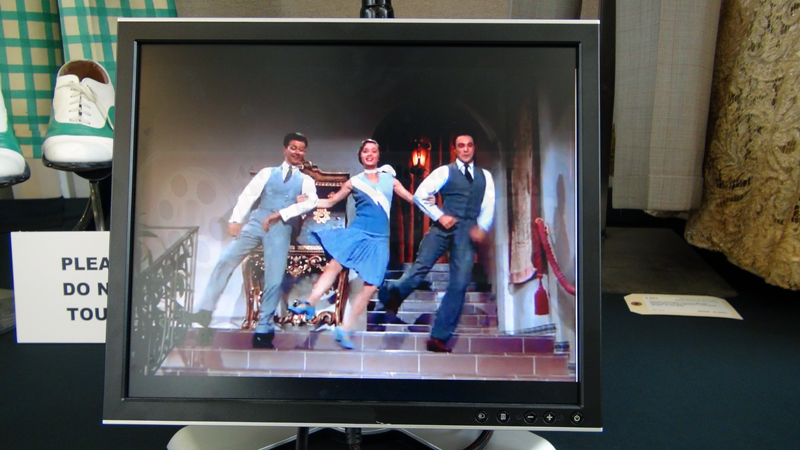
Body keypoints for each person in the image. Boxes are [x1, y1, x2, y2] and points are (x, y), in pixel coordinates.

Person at [189, 132, 318, 348]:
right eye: (293, 147)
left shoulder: (306, 180)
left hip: (280, 227)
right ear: (285, 149)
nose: (297, 152)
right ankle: (205, 310)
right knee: (226, 260)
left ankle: (263, 329)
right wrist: (235, 219)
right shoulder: (268, 173)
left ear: (305, 152)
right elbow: (248, 195)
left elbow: (311, 202)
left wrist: (282, 213)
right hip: (257, 222)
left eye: (301, 149)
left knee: (274, 279)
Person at [289, 139, 415, 349]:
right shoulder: (354, 182)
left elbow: (412, 199)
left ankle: (344, 329)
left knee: (370, 287)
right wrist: (308, 202)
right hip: (358, 232)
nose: (369, 154)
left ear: (378, 155)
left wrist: (429, 202)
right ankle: (310, 302)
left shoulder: (390, 180)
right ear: (361, 156)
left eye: (373, 151)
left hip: (379, 240)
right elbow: (330, 202)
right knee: (335, 264)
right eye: (365, 151)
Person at [375, 134, 496, 352]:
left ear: (474, 148)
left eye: (469, 145)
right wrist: (439, 216)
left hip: (466, 231)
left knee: (459, 283)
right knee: (420, 268)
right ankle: (393, 294)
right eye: (461, 146)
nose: (465, 149)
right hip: (442, 228)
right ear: (455, 149)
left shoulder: (485, 176)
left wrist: (482, 227)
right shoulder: (444, 171)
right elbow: (421, 195)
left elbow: (489, 204)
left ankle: (439, 337)